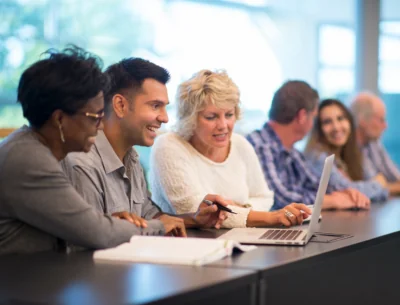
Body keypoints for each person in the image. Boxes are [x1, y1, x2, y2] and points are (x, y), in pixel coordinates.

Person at [0, 46, 182, 256]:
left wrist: (112, 223)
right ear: (60, 119)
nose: (101, 125)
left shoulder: (34, 149)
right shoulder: (28, 160)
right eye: (94, 117)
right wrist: (158, 228)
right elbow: (97, 233)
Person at [62, 58, 227, 233]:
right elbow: (91, 237)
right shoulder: (82, 163)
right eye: (155, 106)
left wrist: (194, 219)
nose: (165, 118)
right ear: (120, 105)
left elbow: (150, 217)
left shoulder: (131, 158)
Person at [150, 70, 311, 228]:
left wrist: (243, 209)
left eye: (229, 115)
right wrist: (270, 217)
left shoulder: (239, 143)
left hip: (238, 240)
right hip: (187, 245)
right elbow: (196, 211)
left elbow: (264, 196)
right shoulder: (168, 145)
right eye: (211, 117)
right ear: (190, 119)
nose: (223, 126)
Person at [246, 80, 370, 211]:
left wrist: (347, 193)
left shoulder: (292, 152)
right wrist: (332, 200)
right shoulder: (261, 146)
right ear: (302, 116)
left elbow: (317, 185)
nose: (313, 125)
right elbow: (278, 199)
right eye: (313, 117)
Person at [304, 98, 388, 202]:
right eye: (327, 122)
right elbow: (347, 190)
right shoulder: (317, 156)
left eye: (340, 118)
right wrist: (378, 184)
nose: (336, 127)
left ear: (350, 122)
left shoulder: (352, 152)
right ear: (318, 129)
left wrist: (376, 187)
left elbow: (384, 192)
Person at [350, 92, 400, 195]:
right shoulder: (349, 148)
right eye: (381, 120)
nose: (385, 126)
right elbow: (375, 188)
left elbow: (395, 177)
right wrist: (383, 185)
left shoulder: (374, 143)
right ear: (362, 120)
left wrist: (385, 185)